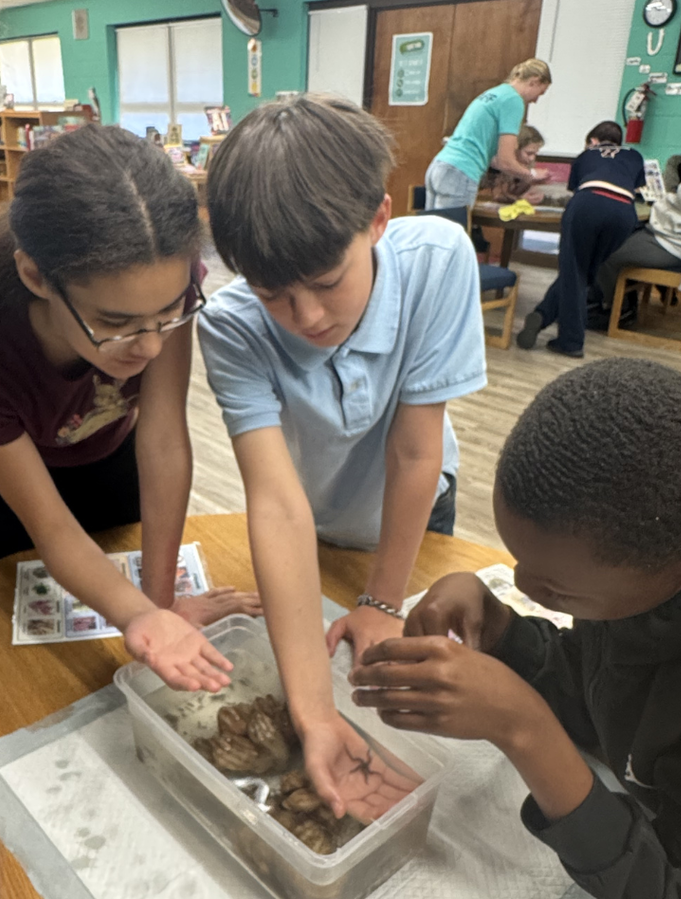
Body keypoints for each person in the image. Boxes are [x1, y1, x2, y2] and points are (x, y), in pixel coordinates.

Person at [197, 94, 486, 820]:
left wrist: (383, 602)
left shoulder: (437, 259)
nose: (310, 316)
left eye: (327, 282)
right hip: (311, 513)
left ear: (379, 219)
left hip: (412, 507)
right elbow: (275, 500)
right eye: (275, 295)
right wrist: (315, 716)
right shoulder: (230, 326)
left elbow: (416, 451)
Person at [352, 357, 681, 899]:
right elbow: (601, 692)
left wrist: (525, 729)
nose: (522, 582)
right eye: (518, 562)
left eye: (558, 589)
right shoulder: (645, 584)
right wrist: (498, 629)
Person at [0, 124, 258, 694]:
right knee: (35, 674)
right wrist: (140, 618)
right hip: (23, 487)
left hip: (114, 458)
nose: (151, 346)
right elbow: (52, 531)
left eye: (168, 314)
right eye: (115, 324)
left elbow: (161, 437)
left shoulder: (159, 287)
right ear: (35, 275)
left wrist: (158, 607)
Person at [517, 121, 645, 358]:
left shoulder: (586, 155)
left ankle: (571, 341)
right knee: (584, 273)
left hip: (589, 204)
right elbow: (637, 190)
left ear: (593, 141)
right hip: (624, 213)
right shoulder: (635, 155)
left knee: (574, 268)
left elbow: (577, 189)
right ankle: (542, 315)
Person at [423, 59, 552, 210]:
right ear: (534, 82)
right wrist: (531, 174)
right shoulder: (513, 100)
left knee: (433, 231)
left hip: (440, 166)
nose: (536, 100)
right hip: (461, 171)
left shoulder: (495, 93)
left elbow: (494, 159)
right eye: (540, 93)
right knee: (451, 232)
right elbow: (505, 161)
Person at [595, 168, 681, 317]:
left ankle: (618, 311)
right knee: (615, 239)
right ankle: (618, 300)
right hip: (668, 236)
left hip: (673, 244)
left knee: (606, 254)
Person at [477, 125, 547, 205]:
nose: (532, 158)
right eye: (529, 153)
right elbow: (494, 195)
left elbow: (519, 190)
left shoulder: (526, 164)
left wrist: (532, 190)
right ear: (515, 150)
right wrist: (520, 199)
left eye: (535, 153)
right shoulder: (497, 163)